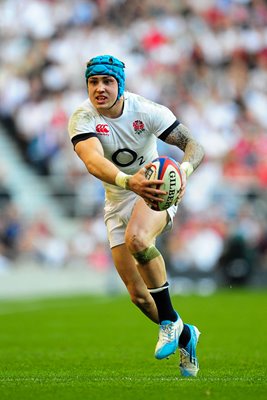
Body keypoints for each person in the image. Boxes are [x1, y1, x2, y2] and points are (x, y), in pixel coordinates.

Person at [68, 55, 205, 377]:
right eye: (93, 82)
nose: (100, 88)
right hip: (118, 196)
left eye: (107, 82)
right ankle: (187, 334)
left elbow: (194, 146)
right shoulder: (82, 117)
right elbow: (92, 161)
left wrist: (183, 171)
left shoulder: (147, 110)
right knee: (139, 297)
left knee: (138, 240)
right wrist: (130, 182)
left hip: (155, 188)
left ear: (120, 86)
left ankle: (170, 322)